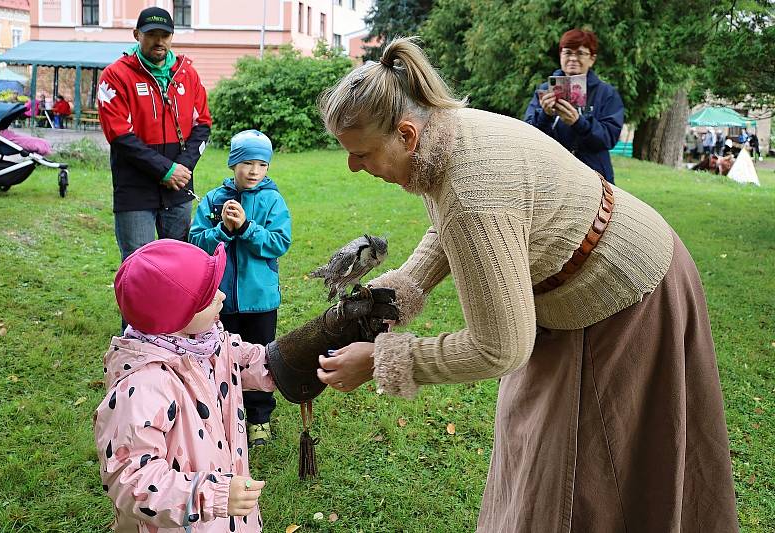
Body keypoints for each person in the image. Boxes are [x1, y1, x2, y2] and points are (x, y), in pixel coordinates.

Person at [316, 37, 738, 531]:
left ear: (406, 136)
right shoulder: (444, 134)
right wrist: (404, 286)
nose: (352, 166)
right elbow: (447, 225)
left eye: (361, 154)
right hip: (580, 282)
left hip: (632, 291)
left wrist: (382, 360)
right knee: (537, 446)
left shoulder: (473, 190)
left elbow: (500, 349)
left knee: (603, 473)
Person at [94, 239, 269, 532]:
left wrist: (303, 356)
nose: (222, 295)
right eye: (209, 296)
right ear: (177, 314)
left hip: (226, 518)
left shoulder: (209, 341)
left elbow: (252, 361)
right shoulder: (143, 387)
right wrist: (212, 495)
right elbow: (132, 478)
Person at [190, 130, 292, 447]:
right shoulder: (213, 200)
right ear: (234, 163)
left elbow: (279, 243)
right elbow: (196, 243)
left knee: (259, 359)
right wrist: (224, 229)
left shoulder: (273, 201)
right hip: (220, 301)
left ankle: (259, 416)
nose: (254, 171)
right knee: (221, 356)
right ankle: (224, 412)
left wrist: (246, 228)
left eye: (261, 164)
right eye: (247, 162)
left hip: (260, 301)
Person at [97, 6, 211, 265]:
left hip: (178, 186)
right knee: (140, 264)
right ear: (137, 34)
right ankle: (138, 308)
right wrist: (165, 170)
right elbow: (120, 136)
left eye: (165, 34)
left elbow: (202, 125)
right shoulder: (115, 76)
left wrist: (182, 167)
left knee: (181, 261)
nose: (159, 41)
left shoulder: (187, 74)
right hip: (135, 187)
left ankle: (178, 308)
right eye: (151, 34)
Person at [524, 29, 624, 184]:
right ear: (560, 56)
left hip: (593, 178)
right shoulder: (544, 90)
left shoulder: (606, 94)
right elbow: (527, 134)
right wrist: (545, 115)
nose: (573, 58)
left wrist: (579, 123)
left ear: (592, 59)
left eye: (580, 53)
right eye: (568, 52)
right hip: (551, 176)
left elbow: (609, 138)